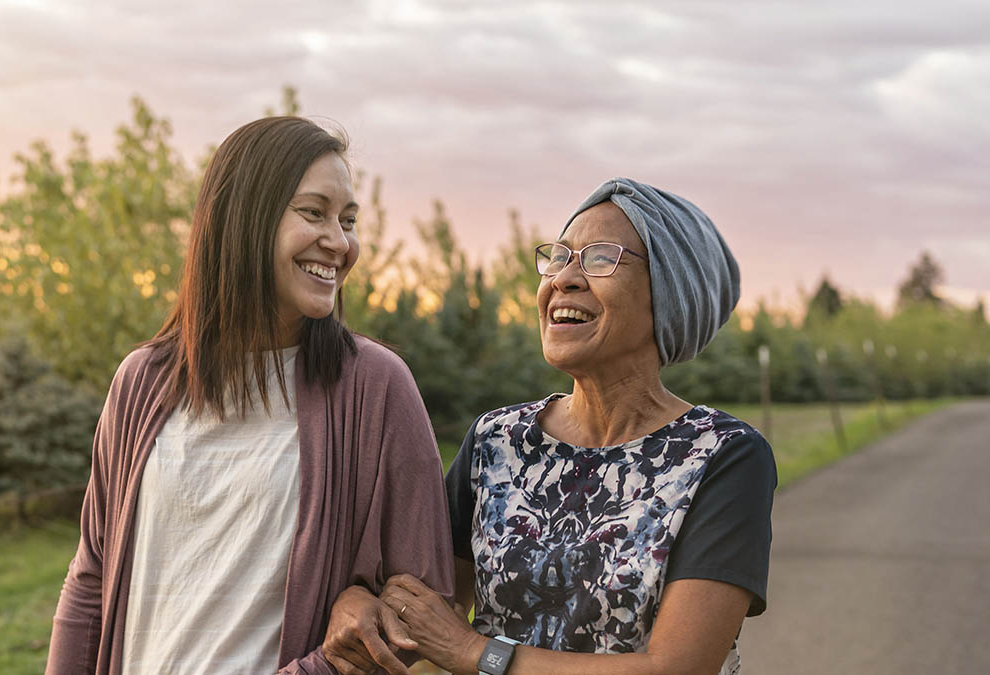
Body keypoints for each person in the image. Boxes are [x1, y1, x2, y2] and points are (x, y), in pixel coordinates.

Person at [45, 116, 454, 675]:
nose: (339, 242)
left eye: (349, 220)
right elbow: (91, 580)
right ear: (243, 218)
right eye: (314, 212)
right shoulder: (142, 382)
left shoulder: (376, 388)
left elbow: (424, 617)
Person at [324, 178, 776, 675]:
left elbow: (678, 668)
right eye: (559, 257)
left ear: (671, 295)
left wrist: (477, 654)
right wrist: (356, 600)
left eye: (601, 257)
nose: (564, 278)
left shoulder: (723, 456)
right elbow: (419, 605)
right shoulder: (495, 442)